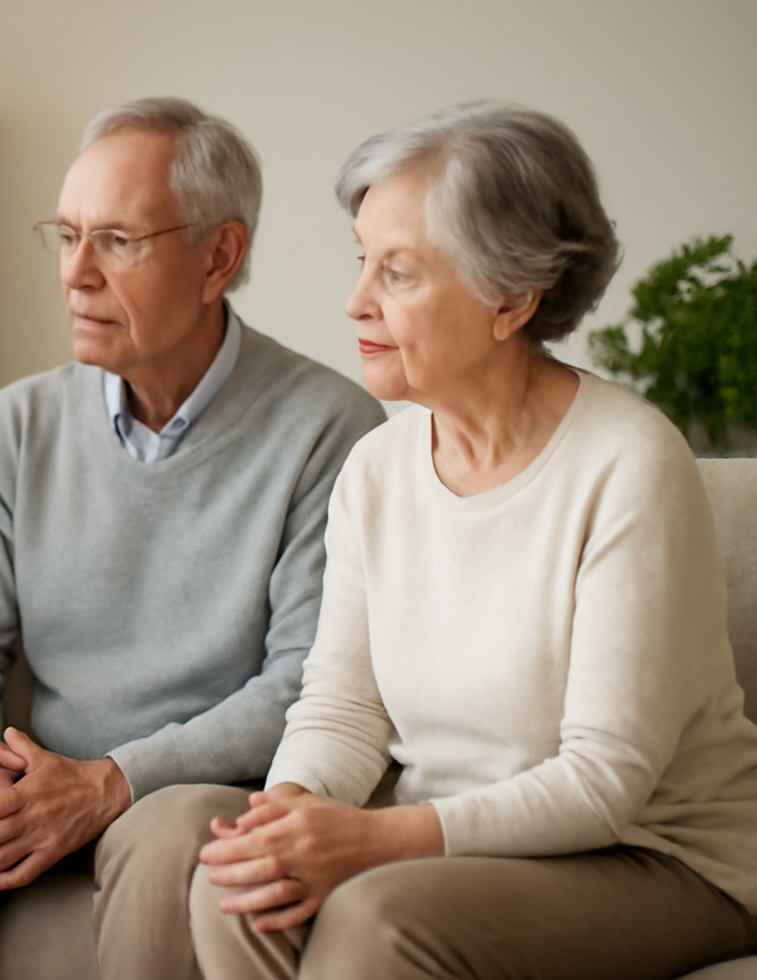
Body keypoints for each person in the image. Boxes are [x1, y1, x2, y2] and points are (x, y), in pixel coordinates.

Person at [190, 100, 757, 980]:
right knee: (236, 890)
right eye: (361, 261)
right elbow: (344, 708)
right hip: (458, 846)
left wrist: (376, 840)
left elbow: (605, 782)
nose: (354, 301)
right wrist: (292, 812)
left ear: (512, 300)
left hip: (657, 857)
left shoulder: (629, 463)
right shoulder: (375, 471)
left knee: (379, 919)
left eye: (400, 273)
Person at [0, 98, 384, 980]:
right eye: (67, 235)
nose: (77, 274)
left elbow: (306, 684)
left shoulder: (331, 428)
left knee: (171, 827)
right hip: (29, 787)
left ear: (219, 257)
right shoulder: (17, 424)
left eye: (118, 241)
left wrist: (113, 782)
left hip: (191, 795)